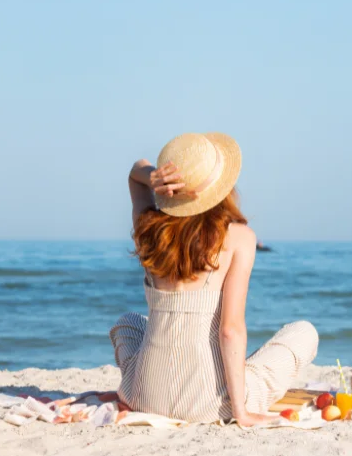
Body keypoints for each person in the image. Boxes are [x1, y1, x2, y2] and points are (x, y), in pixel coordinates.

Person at [109, 132, 318, 427]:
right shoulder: (239, 238)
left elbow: (135, 174)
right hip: (209, 404)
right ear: (221, 184)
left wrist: (151, 175)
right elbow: (229, 331)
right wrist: (240, 411)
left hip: (144, 396)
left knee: (127, 322)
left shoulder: (149, 230)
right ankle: (237, 393)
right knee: (304, 332)